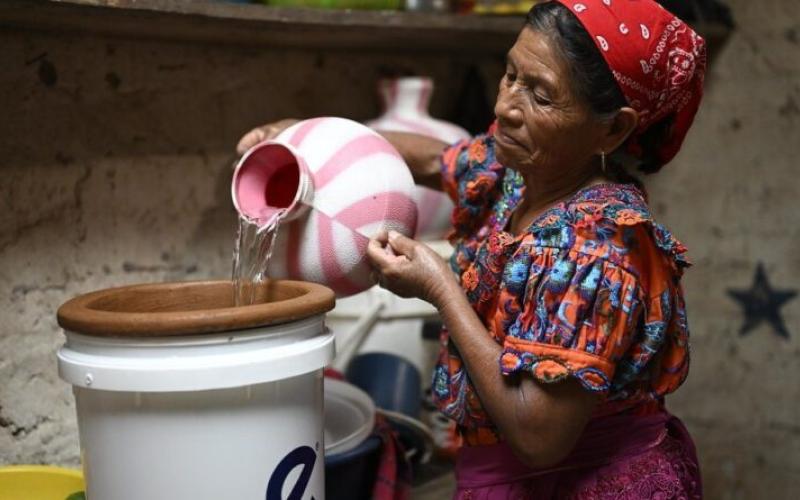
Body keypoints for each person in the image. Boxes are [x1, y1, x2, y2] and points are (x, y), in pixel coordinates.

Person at [237, 1, 706, 497]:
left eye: (541, 95)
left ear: (613, 129)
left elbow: (538, 438)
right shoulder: (519, 174)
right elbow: (432, 158)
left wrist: (441, 289)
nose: (506, 107)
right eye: (510, 75)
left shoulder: (596, 250)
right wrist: (306, 137)